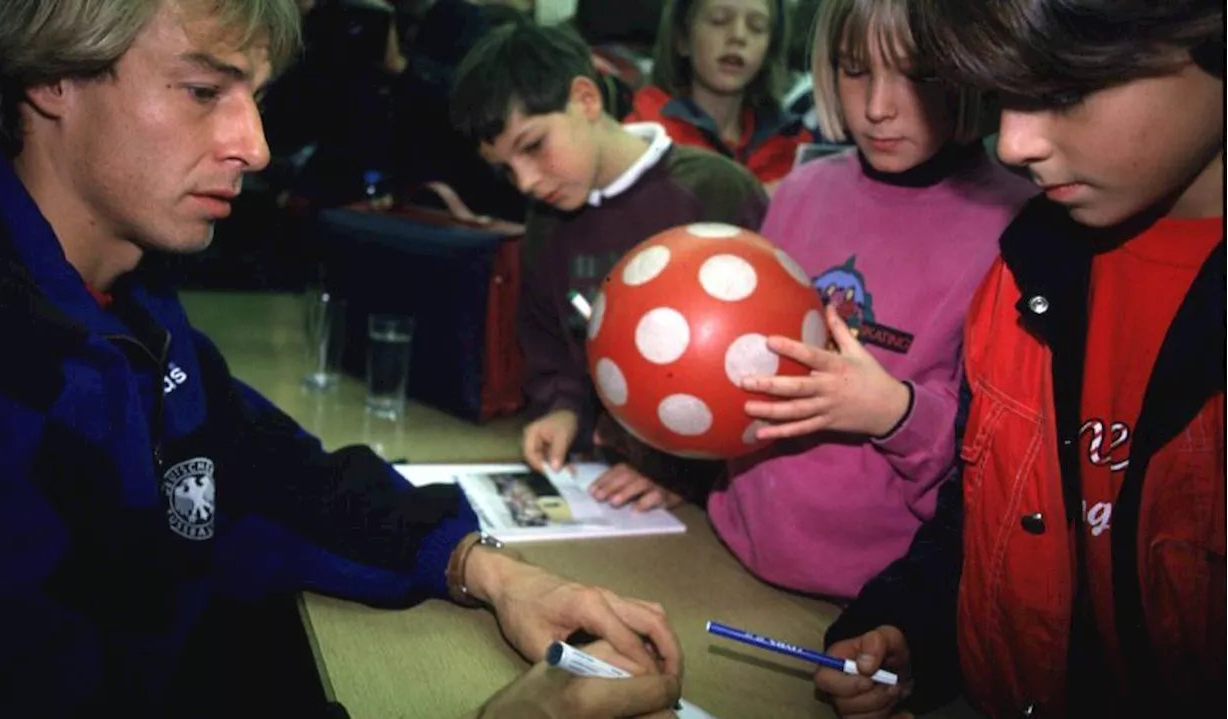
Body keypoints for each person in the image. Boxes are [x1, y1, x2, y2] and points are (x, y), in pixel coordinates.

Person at [0, 1, 684, 716]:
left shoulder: (132, 302)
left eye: (255, 97)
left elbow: (271, 473)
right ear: (51, 77)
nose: (256, 146)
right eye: (204, 91)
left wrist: (490, 571)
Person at [814, 1, 1224, 717]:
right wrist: (912, 631)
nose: (1012, 142)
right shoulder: (1024, 269)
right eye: (1006, 92)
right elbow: (977, 518)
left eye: (1065, 91)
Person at [599, 0, 1036, 602]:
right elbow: (740, 371)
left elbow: (1006, 459)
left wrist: (894, 412)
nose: (878, 108)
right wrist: (687, 470)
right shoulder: (801, 190)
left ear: (972, 69)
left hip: (881, 599)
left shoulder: (1015, 225)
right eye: (855, 70)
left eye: (919, 74)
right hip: (733, 544)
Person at [449, 21, 768, 513]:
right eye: (507, 169)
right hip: (604, 482)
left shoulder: (716, 192)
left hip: (712, 499)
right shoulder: (547, 222)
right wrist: (563, 411)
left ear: (586, 99)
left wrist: (687, 475)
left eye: (533, 146)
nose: (527, 182)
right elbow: (549, 339)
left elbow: (767, 363)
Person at [627, 0, 811, 190]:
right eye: (719, 21)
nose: (738, 36)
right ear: (682, 39)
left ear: (769, 51)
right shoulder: (642, 139)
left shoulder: (793, 144)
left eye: (757, 27)